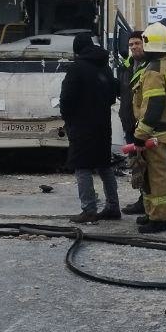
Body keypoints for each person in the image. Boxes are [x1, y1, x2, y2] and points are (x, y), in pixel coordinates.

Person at [60, 31, 120, 223]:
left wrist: (68, 118)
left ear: (76, 49)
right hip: (102, 123)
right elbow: (112, 94)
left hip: (81, 125)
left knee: (82, 166)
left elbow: (67, 99)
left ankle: (89, 210)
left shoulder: (76, 68)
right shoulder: (104, 65)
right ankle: (113, 207)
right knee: (104, 165)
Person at [131, 21, 166, 234]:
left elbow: (154, 104)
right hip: (160, 131)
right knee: (149, 176)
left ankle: (159, 219)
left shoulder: (154, 70)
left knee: (156, 178)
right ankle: (152, 212)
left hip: (154, 133)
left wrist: (141, 134)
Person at [117, 32, 147, 215]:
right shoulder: (128, 65)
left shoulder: (151, 65)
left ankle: (147, 203)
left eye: (137, 43)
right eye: (131, 44)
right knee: (136, 165)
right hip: (129, 122)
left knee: (147, 166)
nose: (134, 47)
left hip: (144, 125)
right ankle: (142, 200)